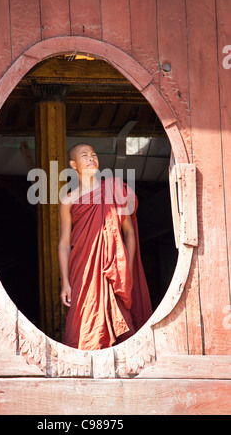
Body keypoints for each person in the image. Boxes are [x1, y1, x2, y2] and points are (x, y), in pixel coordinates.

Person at [58, 143, 152, 351]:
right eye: (84, 155)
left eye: (94, 154)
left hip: (114, 269)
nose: (91, 158)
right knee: (83, 323)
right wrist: (65, 282)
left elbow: (128, 231)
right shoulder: (68, 200)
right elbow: (64, 243)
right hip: (83, 269)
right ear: (73, 165)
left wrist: (127, 269)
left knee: (120, 323)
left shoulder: (114, 189)